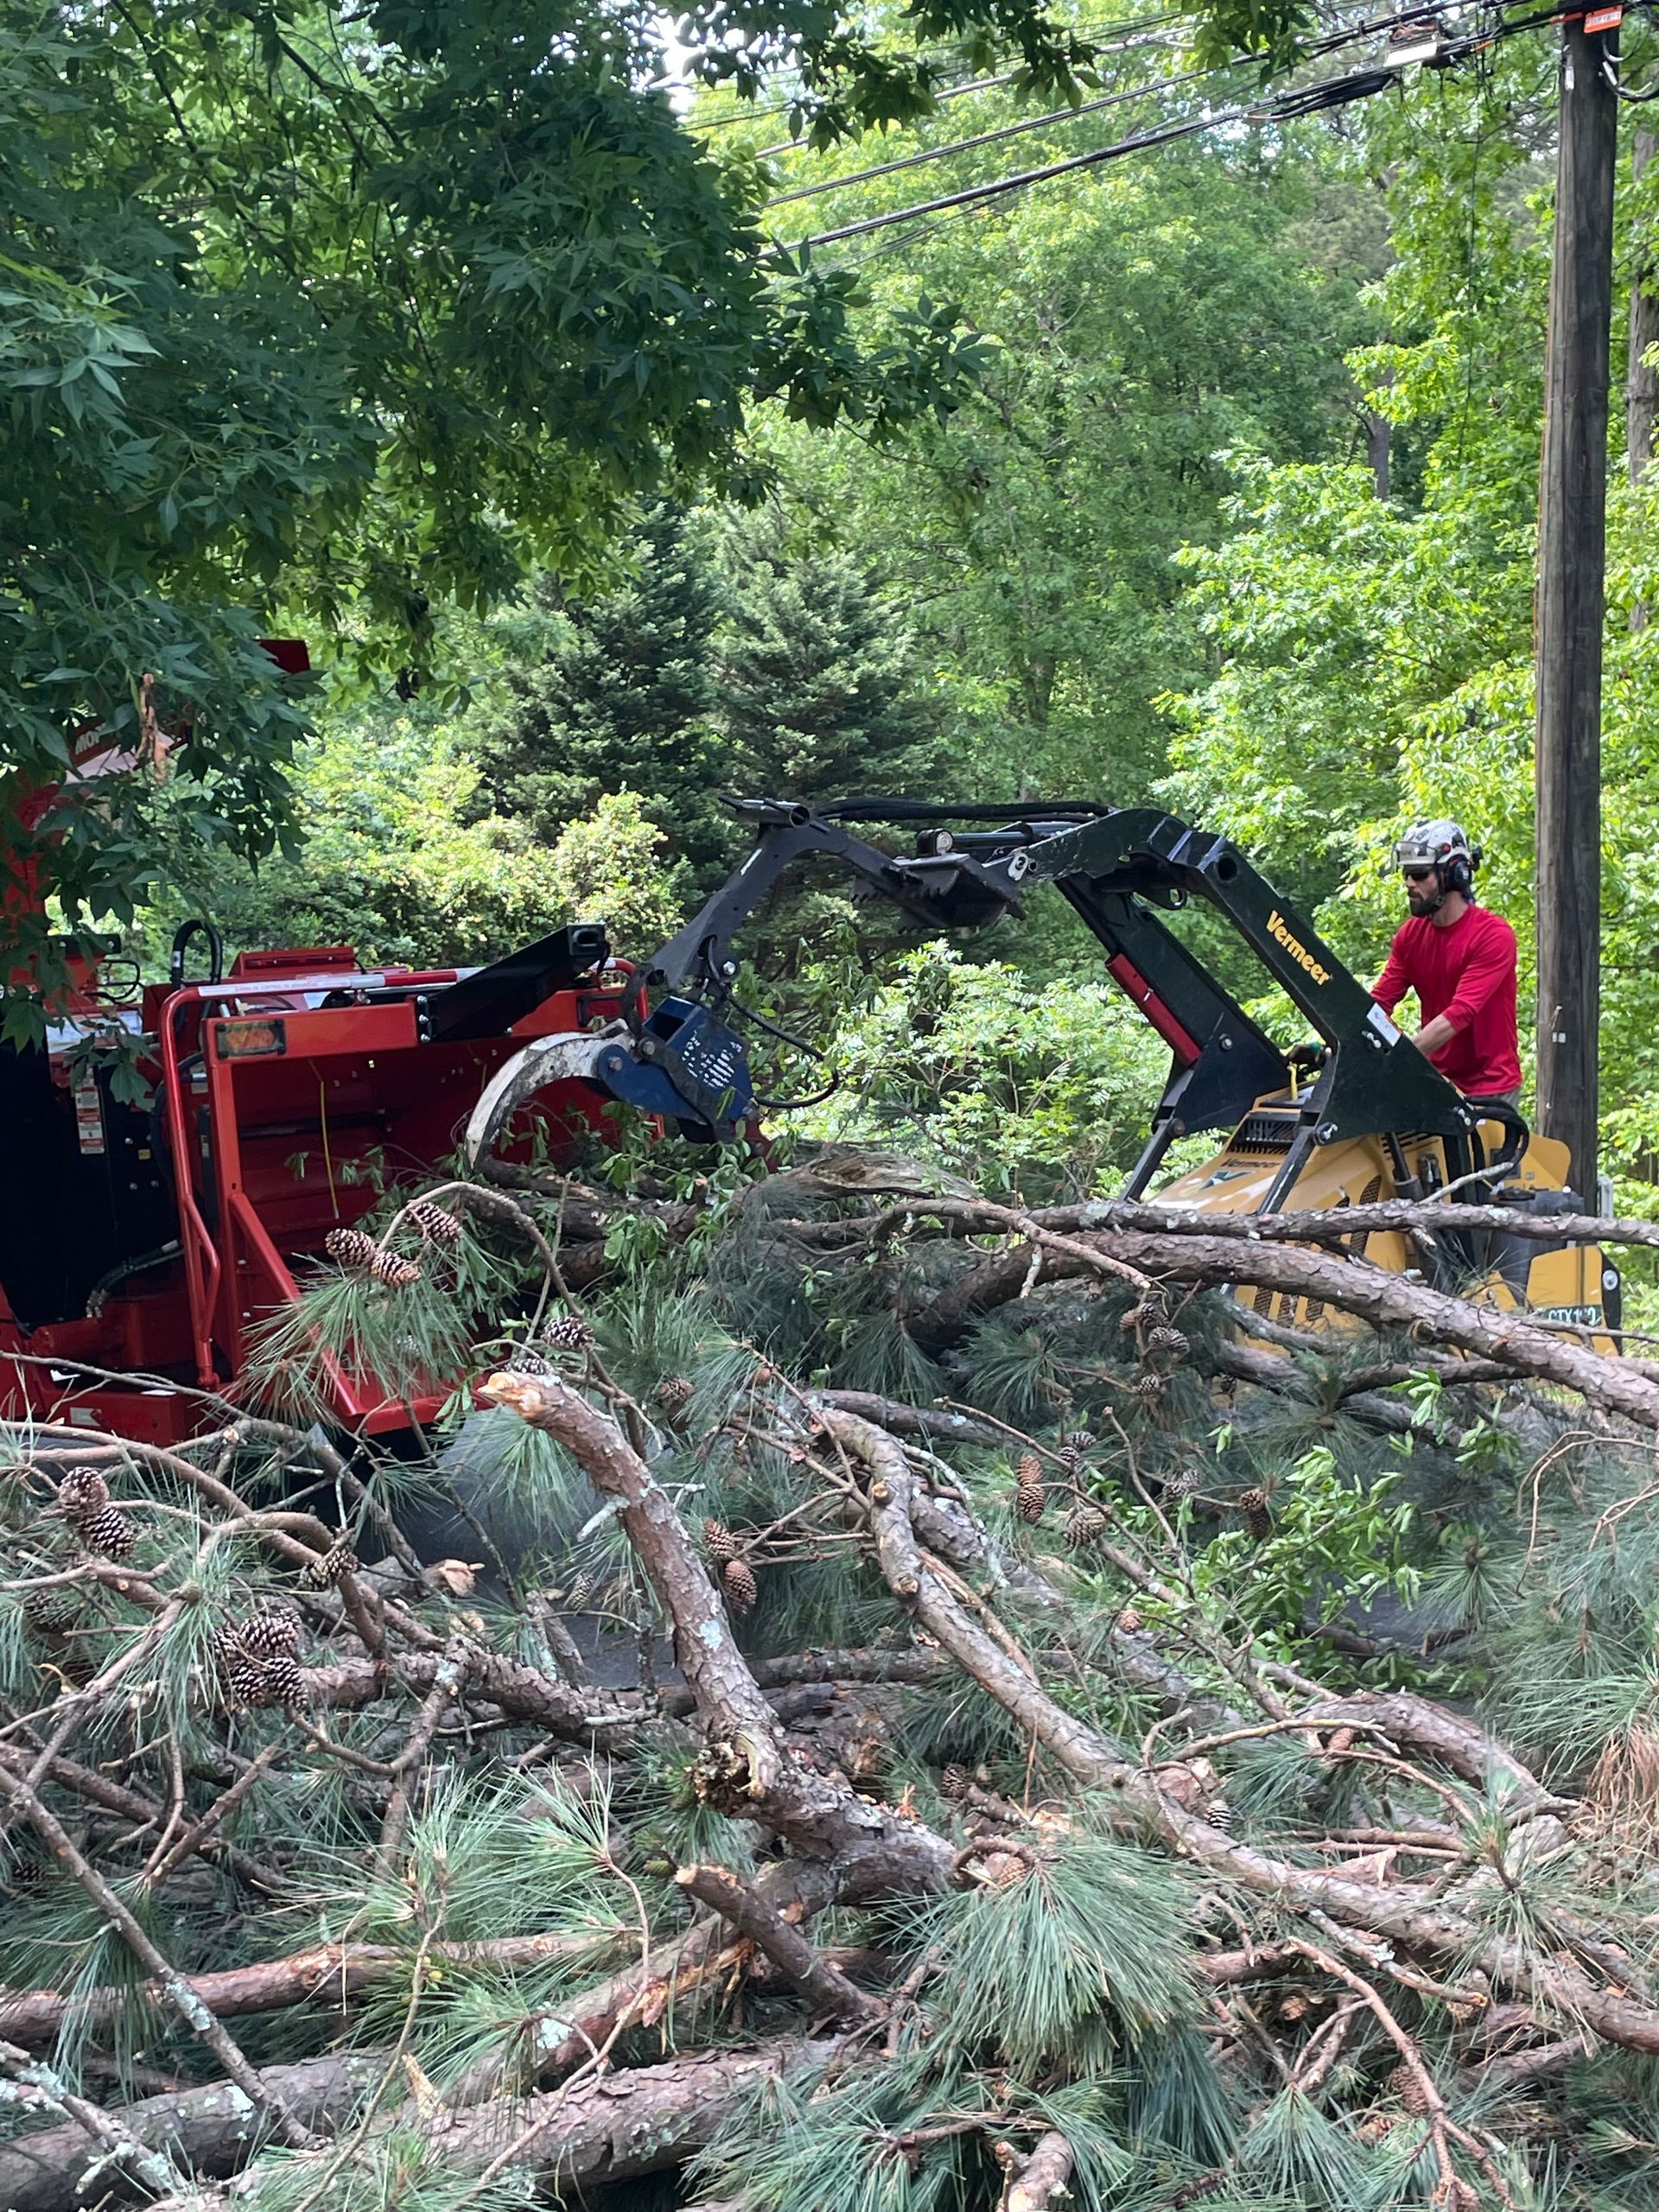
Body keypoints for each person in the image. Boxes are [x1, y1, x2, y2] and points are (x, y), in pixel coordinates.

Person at [1370, 819, 1522, 1112]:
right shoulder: (1409, 937)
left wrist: (1398, 1060)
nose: (1409, 884)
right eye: (1406, 874)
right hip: (1437, 1082)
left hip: (1489, 1090)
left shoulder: (1493, 936)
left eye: (1419, 874)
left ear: (1454, 874)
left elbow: (1460, 1013)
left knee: (1483, 1159)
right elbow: (1378, 1004)